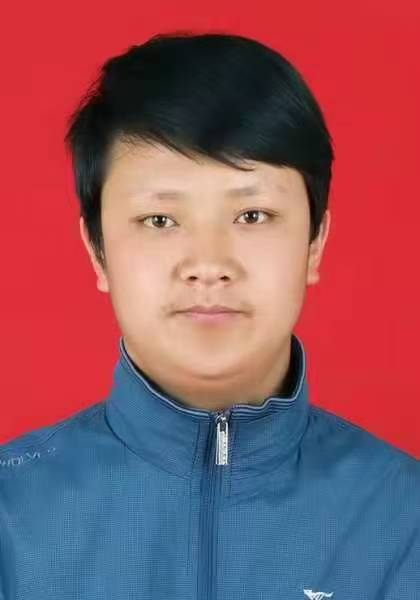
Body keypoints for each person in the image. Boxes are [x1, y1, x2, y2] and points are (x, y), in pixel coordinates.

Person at [0, 30, 419, 600]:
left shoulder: (404, 519)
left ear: (315, 243)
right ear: (98, 251)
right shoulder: (11, 516)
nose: (208, 265)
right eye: (160, 221)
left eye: (252, 215)